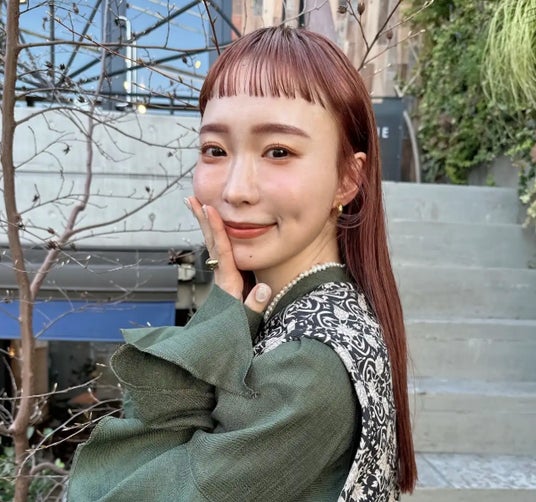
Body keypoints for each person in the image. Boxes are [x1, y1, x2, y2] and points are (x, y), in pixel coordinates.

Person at [67, 26, 417, 501]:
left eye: (278, 152)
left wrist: (218, 317)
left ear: (347, 180)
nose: (235, 190)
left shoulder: (307, 367)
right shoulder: (303, 316)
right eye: (215, 150)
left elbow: (119, 491)